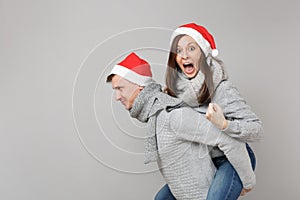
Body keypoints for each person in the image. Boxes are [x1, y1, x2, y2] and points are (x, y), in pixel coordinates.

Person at [106, 52, 256, 200]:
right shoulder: (155, 117)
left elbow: (228, 140)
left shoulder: (172, 116)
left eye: (120, 88)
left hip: (231, 160)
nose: (117, 97)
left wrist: (248, 181)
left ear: (139, 86)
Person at [155, 23, 263, 200]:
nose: (185, 56)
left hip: (231, 158)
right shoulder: (175, 92)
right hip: (202, 162)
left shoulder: (222, 90)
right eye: (179, 50)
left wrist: (225, 124)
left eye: (191, 48)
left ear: (203, 53)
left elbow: (257, 129)